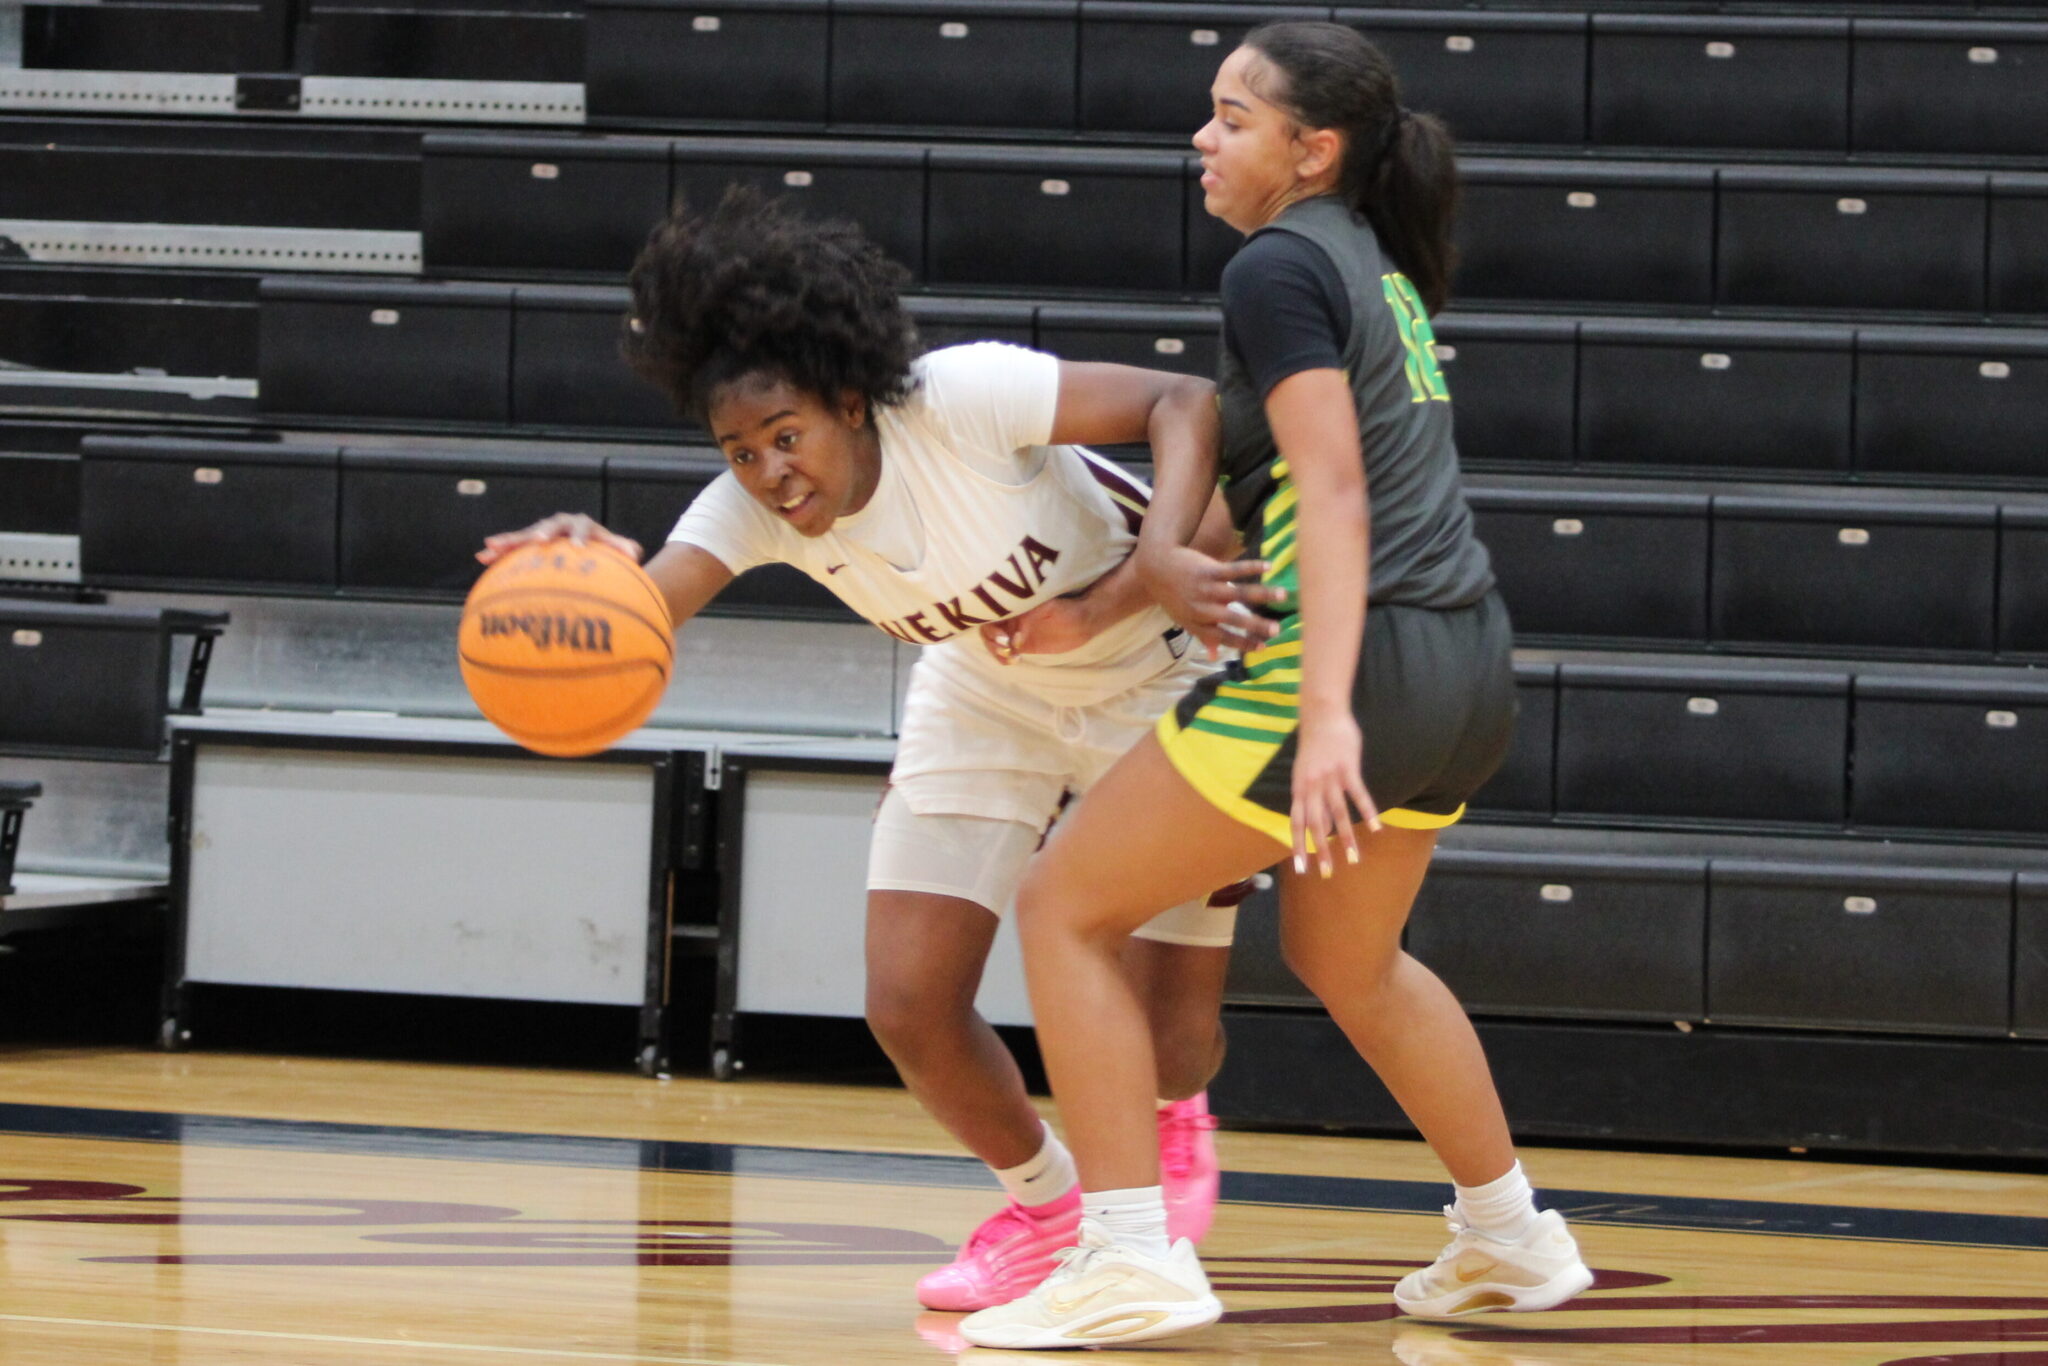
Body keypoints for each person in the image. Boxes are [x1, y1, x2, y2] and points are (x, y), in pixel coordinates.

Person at [478, 188, 1286, 1313]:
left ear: (850, 403)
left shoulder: (959, 396)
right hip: (985, 687)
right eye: (741, 452)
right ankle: (1048, 1210)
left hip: (1154, 669)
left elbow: (1183, 399)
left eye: (787, 436)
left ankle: (1174, 1114)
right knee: (908, 1003)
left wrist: (1147, 565)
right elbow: (639, 613)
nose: (770, 471)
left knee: (1169, 1040)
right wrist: (582, 570)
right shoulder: (747, 510)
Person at [960, 22, 1594, 1349]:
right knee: (1349, 956)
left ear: (1313, 150)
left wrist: (1325, 716)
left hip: (1356, 662)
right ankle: (1510, 1231)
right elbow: (1282, 497)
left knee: (1064, 904)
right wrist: (1106, 606)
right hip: (1465, 666)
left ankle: (1128, 1256)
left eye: (1233, 117)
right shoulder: (1369, 263)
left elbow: (1337, 488)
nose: (1203, 136)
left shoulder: (1277, 264)